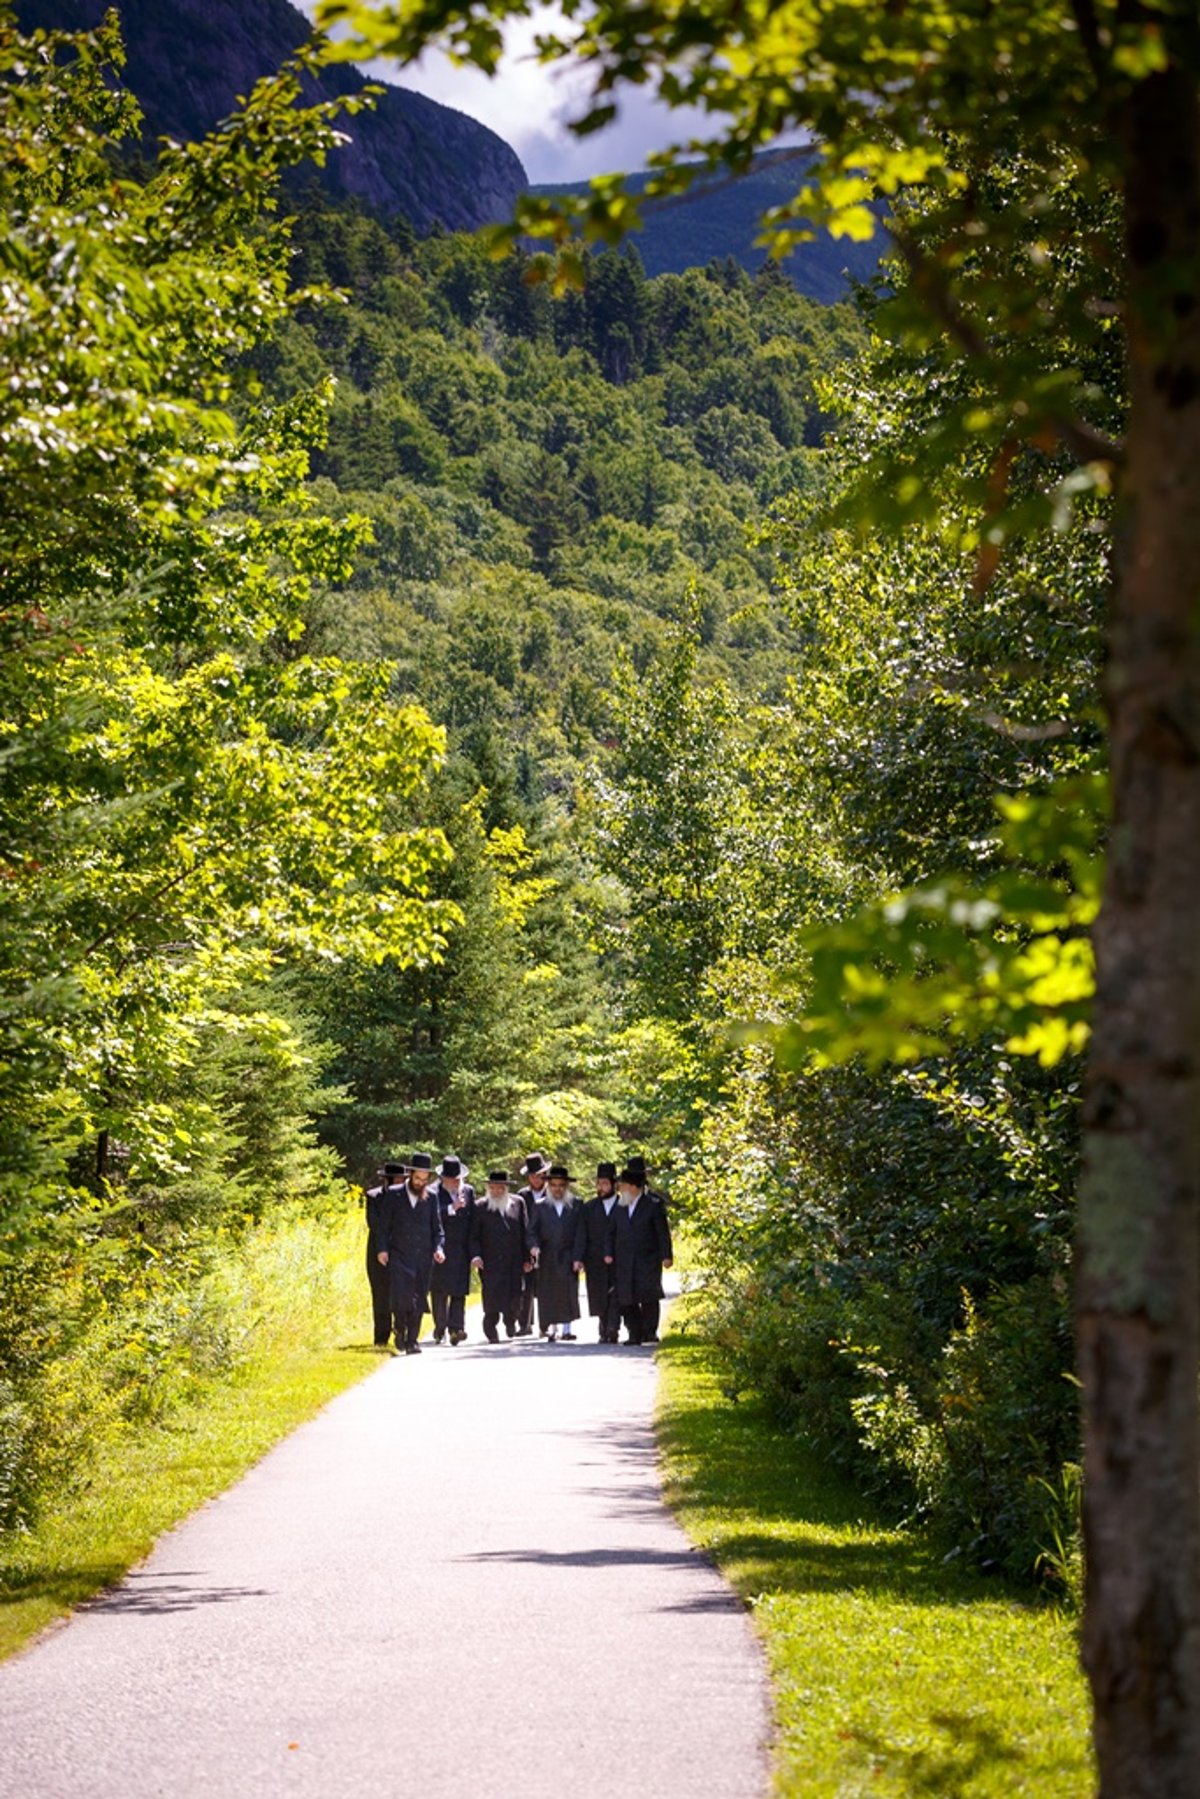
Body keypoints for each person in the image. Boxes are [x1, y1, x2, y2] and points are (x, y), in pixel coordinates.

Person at [371, 1151, 445, 1354]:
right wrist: (382, 1250)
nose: (420, 1183)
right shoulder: (394, 1194)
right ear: (410, 1175)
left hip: (423, 1256)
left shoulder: (432, 1197)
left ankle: (413, 1339)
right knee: (401, 1297)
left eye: (424, 1179)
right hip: (399, 1255)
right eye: (417, 1178)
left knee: (418, 1298)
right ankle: (400, 1329)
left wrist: (438, 1248)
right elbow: (384, 1227)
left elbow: (437, 1229)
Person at [610, 1163, 673, 1346]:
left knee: (649, 1296)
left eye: (622, 1185)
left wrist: (666, 1255)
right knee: (626, 1298)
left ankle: (649, 1332)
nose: (619, 1188)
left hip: (647, 1259)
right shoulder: (620, 1206)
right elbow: (611, 1233)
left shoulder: (652, 1205)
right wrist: (608, 1253)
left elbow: (662, 1232)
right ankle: (634, 1333)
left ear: (632, 1187)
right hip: (624, 1260)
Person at [469, 1171, 530, 1343]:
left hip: (514, 1261)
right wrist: (475, 1256)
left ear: (506, 1188)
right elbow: (473, 1236)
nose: (496, 1191)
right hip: (490, 1262)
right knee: (492, 1298)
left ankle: (510, 1321)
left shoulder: (518, 1203)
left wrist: (528, 1259)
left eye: (500, 1188)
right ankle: (490, 1329)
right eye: (493, 1188)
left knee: (515, 1297)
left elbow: (524, 1232)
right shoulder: (480, 1206)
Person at [528, 1164, 582, 1342]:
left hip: (568, 1255)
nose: (557, 1189)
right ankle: (552, 1329)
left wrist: (578, 1257)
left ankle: (567, 1329)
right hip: (547, 1255)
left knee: (567, 1292)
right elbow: (532, 1231)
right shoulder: (540, 1206)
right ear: (549, 1186)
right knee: (549, 1293)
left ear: (566, 1187)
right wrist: (534, 1246)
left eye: (561, 1185)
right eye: (554, 1185)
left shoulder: (576, 1205)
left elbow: (581, 1234)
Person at [429, 1155, 476, 1344]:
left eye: (458, 1179)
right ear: (443, 1179)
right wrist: (451, 1208)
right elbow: (431, 1216)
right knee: (440, 1292)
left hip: (462, 1250)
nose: (456, 1182)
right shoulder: (433, 1193)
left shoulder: (469, 1192)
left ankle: (457, 1329)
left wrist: (474, 1251)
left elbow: (474, 1220)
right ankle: (440, 1328)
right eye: (452, 1179)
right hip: (440, 1248)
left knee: (459, 1292)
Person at [575, 1161, 621, 1343]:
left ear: (614, 1184)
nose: (602, 1188)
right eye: (599, 1183)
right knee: (599, 1294)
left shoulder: (623, 1205)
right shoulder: (589, 1208)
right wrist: (578, 1258)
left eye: (605, 1184)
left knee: (616, 1294)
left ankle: (613, 1326)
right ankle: (604, 1326)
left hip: (618, 1258)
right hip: (594, 1259)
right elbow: (581, 1234)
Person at [363, 1162, 404, 1347]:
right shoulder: (374, 1196)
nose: (400, 1183)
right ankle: (381, 1336)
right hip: (377, 1253)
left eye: (402, 1180)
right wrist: (383, 1248)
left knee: (402, 1294)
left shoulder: (409, 1196)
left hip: (402, 1252)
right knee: (380, 1295)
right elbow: (376, 1225)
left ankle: (401, 1331)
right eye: (396, 1179)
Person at [515, 1150, 550, 1336]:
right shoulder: (522, 1196)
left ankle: (545, 1325)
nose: (535, 1179)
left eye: (538, 1175)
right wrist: (525, 1252)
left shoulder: (553, 1193)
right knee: (526, 1287)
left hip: (547, 1246)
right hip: (527, 1245)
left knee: (544, 1288)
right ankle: (525, 1324)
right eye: (532, 1176)